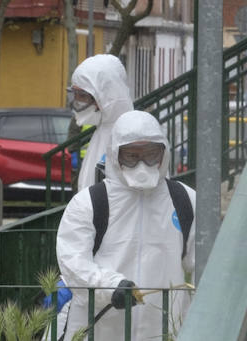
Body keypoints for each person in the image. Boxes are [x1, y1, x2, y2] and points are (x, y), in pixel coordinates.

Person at [55, 110, 195, 339]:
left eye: (150, 154)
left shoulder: (184, 200)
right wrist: (111, 287)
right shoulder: (90, 202)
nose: (142, 163)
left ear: (164, 152)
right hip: (99, 329)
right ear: (115, 154)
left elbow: (206, 263)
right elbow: (72, 262)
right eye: (131, 155)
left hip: (162, 329)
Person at [68, 54, 134, 190]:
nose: (77, 102)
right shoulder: (104, 129)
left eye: (82, 95)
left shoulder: (131, 136)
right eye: (74, 94)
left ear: (104, 95)